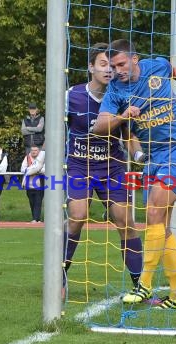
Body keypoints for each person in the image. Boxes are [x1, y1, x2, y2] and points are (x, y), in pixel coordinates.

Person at [94, 39, 176, 309]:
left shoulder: (157, 66)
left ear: (135, 59)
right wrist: (122, 117)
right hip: (153, 159)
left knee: (153, 212)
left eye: (121, 64)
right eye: (112, 65)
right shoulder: (116, 91)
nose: (117, 70)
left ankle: (144, 284)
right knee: (161, 228)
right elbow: (99, 126)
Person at [63, 42, 144, 299]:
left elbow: (129, 136)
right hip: (78, 165)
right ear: (90, 67)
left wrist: (140, 155)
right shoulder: (71, 95)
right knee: (77, 215)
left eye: (112, 65)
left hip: (112, 167)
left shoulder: (121, 98)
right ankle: (60, 277)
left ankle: (140, 285)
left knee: (125, 221)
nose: (109, 70)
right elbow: (55, 129)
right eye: (103, 64)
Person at [20, 145, 45, 222]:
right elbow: (22, 169)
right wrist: (32, 170)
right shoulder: (27, 158)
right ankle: (36, 218)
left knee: (38, 202)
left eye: (35, 150)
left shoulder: (43, 159)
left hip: (39, 185)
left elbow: (44, 169)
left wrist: (34, 171)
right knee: (32, 202)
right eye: (32, 150)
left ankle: (35, 219)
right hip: (29, 185)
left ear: (39, 151)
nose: (34, 152)